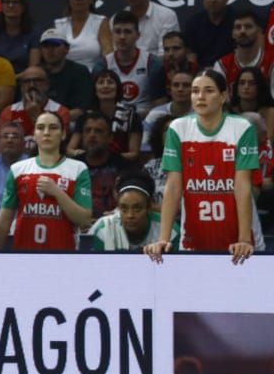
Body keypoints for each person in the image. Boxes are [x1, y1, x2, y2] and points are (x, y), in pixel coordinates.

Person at [146, 68, 258, 264]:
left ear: (223, 96)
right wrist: (163, 239)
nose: (200, 96)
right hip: (193, 238)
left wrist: (244, 239)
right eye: (195, 91)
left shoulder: (242, 128)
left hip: (238, 238)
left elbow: (242, 186)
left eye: (209, 90)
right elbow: (173, 187)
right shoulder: (178, 128)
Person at [0, 111, 93, 253]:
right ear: (34, 134)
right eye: (40, 127)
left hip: (64, 257)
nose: (46, 132)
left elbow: (85, 220)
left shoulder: (77, 169)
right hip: (23, 257)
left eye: (53, 127)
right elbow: (4, 220)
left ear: (63, 134)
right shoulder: (18, 169)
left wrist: (57, 193)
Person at [87, 180, 163, 253]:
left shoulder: (168, 229)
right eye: (124, 208)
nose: (130, 215)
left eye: (137, 209)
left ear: (149, 208)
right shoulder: (103, 229)